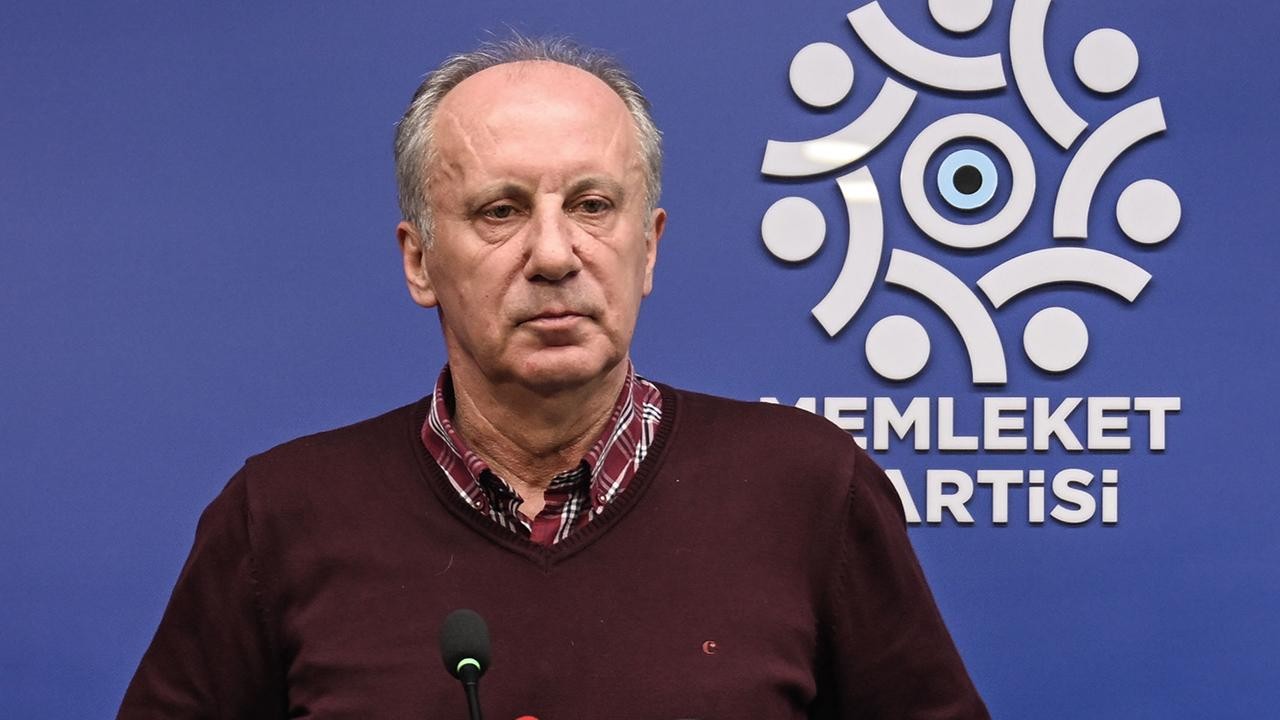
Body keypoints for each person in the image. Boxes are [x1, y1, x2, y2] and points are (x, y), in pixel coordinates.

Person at [119, 36, 989, 719]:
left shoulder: (808, 489)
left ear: (648, 248)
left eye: (591, 206)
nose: (553, 254)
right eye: (500, 211)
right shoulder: (280, 517)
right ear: (419, 261)